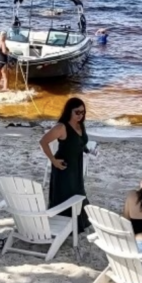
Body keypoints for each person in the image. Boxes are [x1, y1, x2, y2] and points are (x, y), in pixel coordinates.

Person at [39, 97, 91, 233]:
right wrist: (53, 160)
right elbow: (43, 142)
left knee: (78, 191)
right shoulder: (61, 127)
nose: (80, 115)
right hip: (64, 166)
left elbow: (80, 141)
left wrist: (86, 150)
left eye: (83, 112)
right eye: (77, 112)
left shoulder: (80, 125)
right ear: (69, 111)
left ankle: (78, 222)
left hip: (77, 164)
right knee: (66, 194)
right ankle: (63, 224)